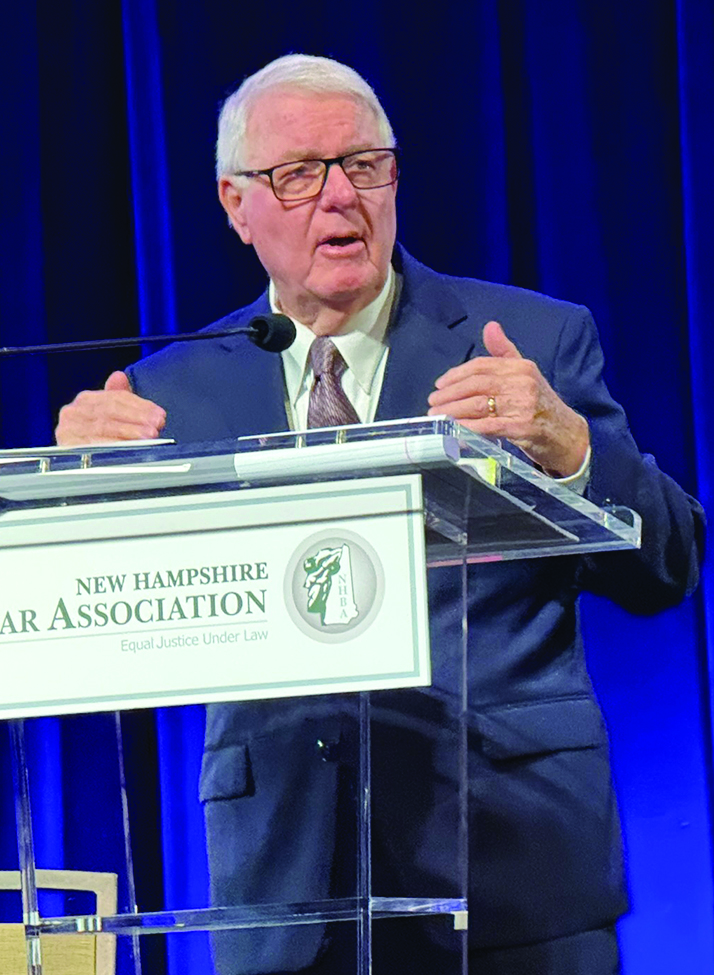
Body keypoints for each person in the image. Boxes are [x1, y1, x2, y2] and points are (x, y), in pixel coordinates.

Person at [56, 54, 704, 975]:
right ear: (236, 205)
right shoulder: (171, 392)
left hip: (513, 869)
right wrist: (78, 491)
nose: (340, 196)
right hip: (287, 888)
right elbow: (118, 617)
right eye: (298, 173)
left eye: (364, 165)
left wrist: (570, 446)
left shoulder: (528, 343)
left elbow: (668, 564)